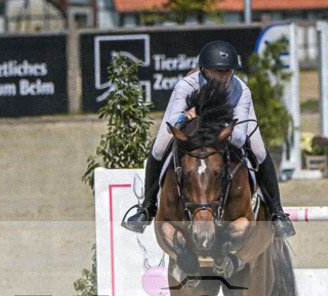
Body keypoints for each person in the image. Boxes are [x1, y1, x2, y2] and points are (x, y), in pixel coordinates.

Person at [121, 40, 295, 239]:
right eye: (218, 71)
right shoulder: (186, 85)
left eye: (228, 71)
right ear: (204, 70)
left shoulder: (241, 90)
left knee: (259, 150)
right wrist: (184, 117)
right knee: (159, 146)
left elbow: (237, 138)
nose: (224, 76)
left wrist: (212, 120)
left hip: (229, 127)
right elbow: (171, 120)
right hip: (190, 124)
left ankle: (277, 212)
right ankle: (147, 207)